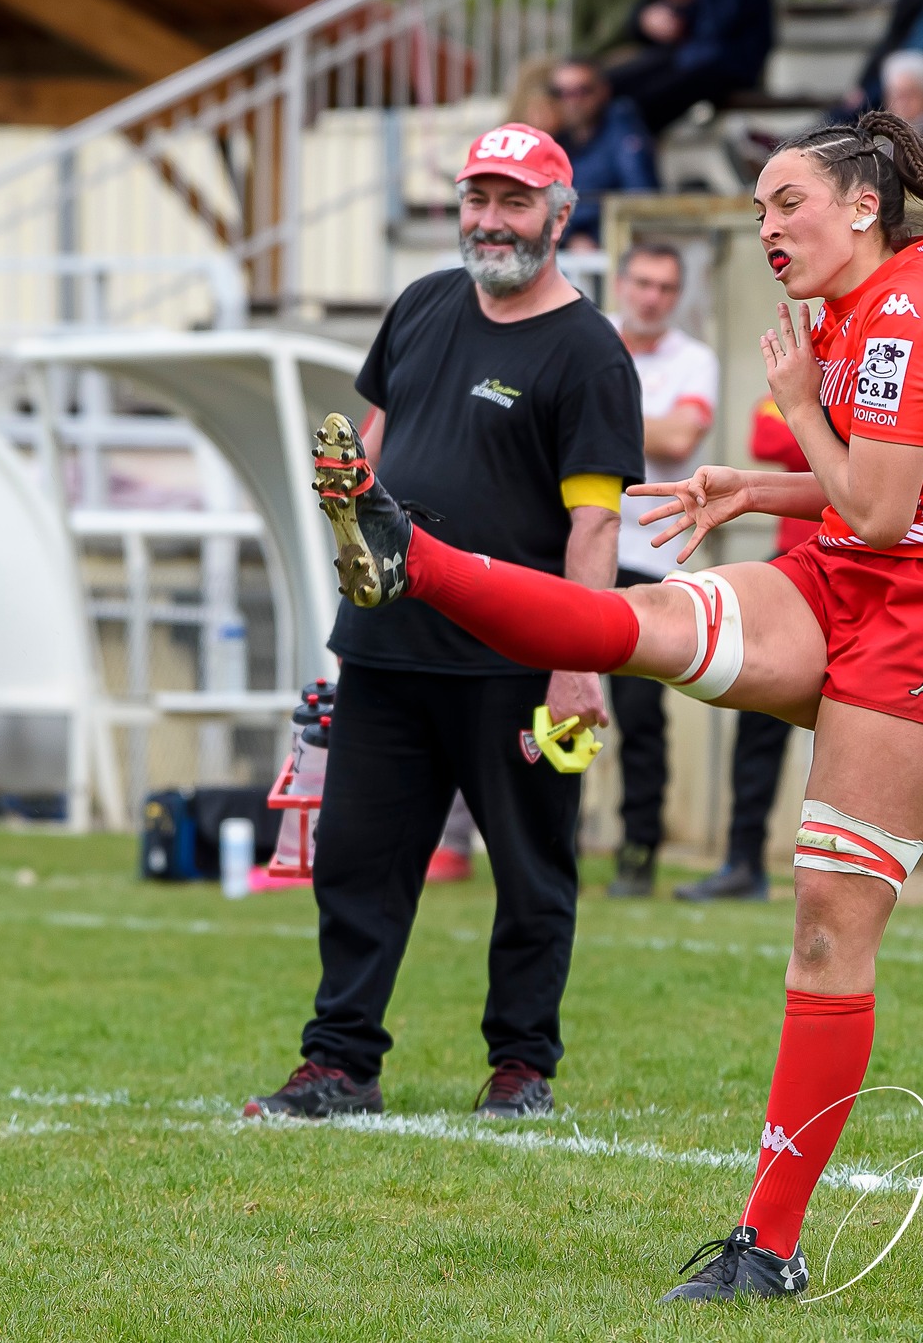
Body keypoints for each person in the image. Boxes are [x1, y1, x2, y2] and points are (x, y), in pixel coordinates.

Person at [306, 111, 923, 1301]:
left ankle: (765, 1247)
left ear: (859, 208)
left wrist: (790, 416)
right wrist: (755, 481)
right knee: (654, 626)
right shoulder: (855, 303)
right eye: (760, 207)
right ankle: (413, 559)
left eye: (785, 205)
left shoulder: (901, 315)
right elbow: (877, 495)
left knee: (824, 919)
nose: (766, 228)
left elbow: (881, 510)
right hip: (859, 574)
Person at [243, 123, 644, 1124]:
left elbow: (593, 522)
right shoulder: (421, 304)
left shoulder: (588, 352)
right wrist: (348, 575)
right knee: (355, 862)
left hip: (517, 659)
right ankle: (337, 1063)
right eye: (476, 198)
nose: (489, 220)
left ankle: (520, 1067)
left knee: (529, 871)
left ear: (561, 215)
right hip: (385, 647)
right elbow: (367, 458)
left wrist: (576, 659)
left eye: (514, 201)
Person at [604, 241, 717, 897]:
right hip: (576, 551)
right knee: (546, 700)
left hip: (649, 558)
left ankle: (638, 848)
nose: (651, 296)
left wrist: (589, 417)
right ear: (622, 283)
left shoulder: (694, 360)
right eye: (642, 282)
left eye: (665, 288)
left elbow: (680, 440)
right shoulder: (592, 341)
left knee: (640, 713)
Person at [670, 397, 813, 903]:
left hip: (863, 562)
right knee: (758, 717)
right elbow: (768, 439)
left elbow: (868, 461)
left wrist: (816, 428)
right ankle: (744, 862)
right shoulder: (803, 378)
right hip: (797, 563)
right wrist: (828, 432)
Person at [605, 0, 776, 134]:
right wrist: (649, 18)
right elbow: (655, 18)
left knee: (638, 103)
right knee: (610, 82)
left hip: (726, 67)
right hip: (684, 57)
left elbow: (717, 28)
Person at [550, 58, 660, 250]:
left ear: (603, 90)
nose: (572, 101)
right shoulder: (556, 137)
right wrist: (572, 237)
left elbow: (641, 199)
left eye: (582, 91)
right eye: (561, 93)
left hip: (617, 248)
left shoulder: (622, 127)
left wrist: (582, 234)